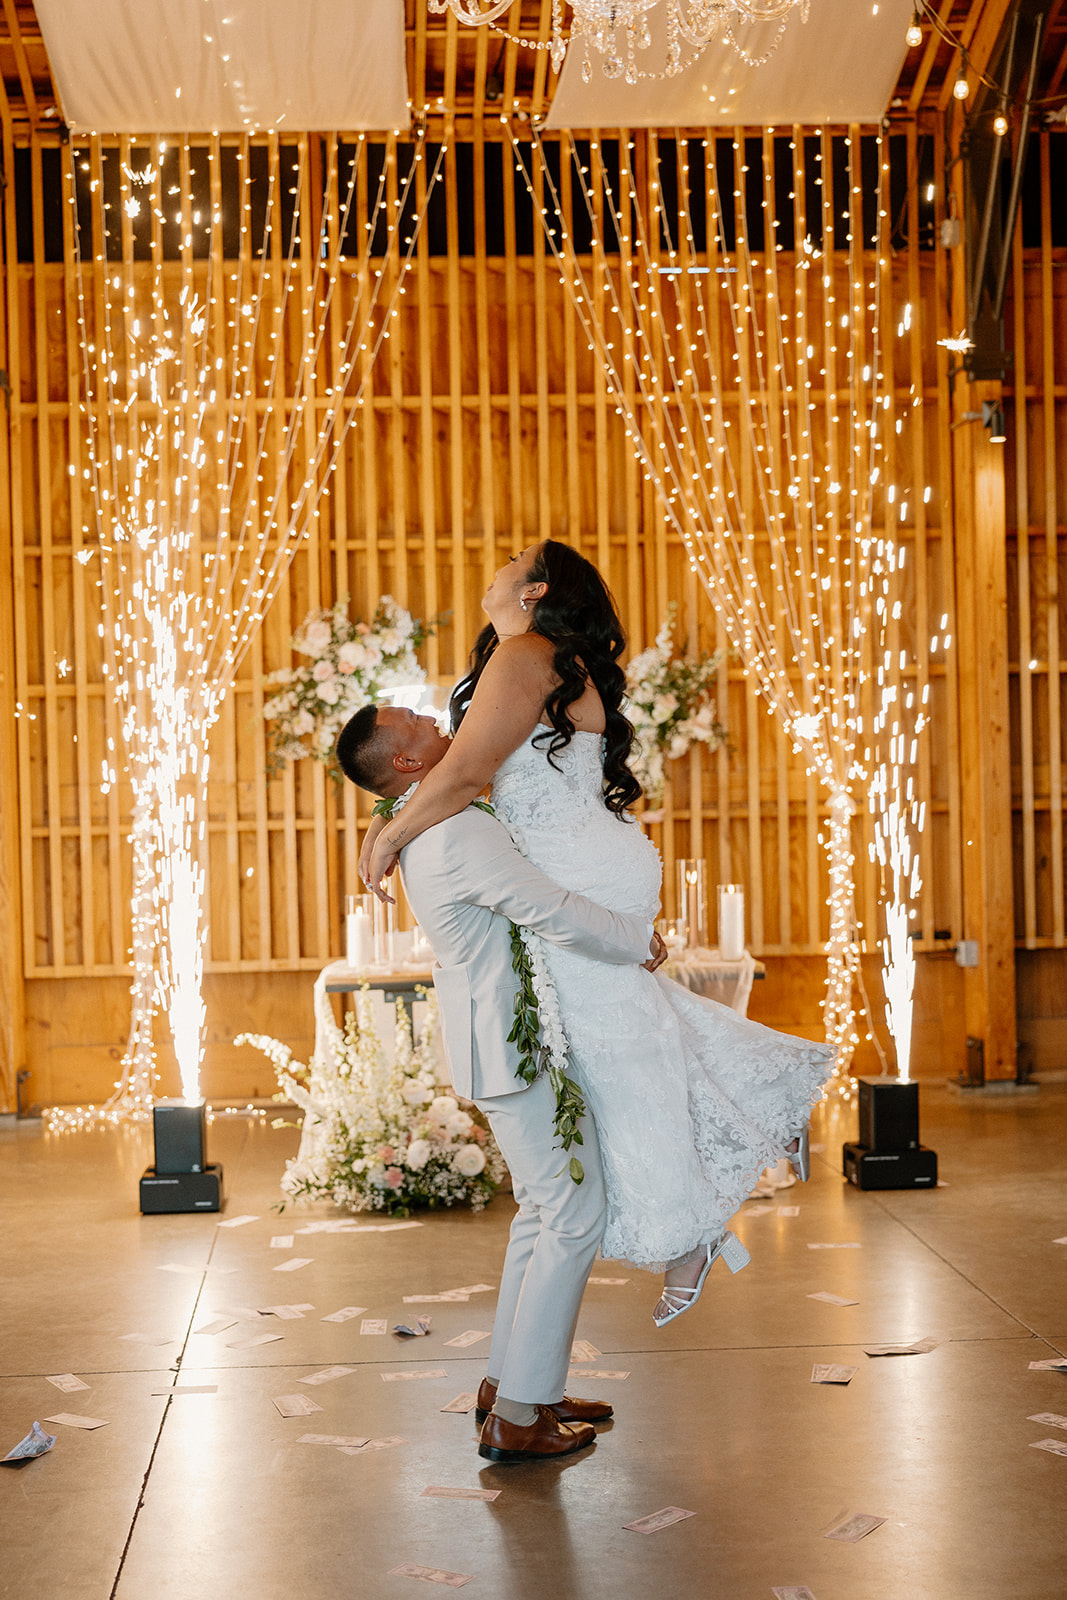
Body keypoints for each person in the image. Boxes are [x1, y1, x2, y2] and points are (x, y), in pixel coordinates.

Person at [362, 540, 832, 1326]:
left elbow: (467, 774)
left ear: (535, 589)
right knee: (626, 1049)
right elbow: (450, 776)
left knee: (616, 1063)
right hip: (581, 865)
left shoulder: (526, 651)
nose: (498, 559)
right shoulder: (536, 657)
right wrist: (390, 819)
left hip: (570, 871)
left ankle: (688, 1234)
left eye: (513, 557)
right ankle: (690, 1227)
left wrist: (387, 835)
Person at [337, 701, 666, 1463]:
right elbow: (543, 907)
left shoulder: (421, 813)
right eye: (413, 721)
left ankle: (513, 1385)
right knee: (575, 1213)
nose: (429, 713)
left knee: (543, 1212)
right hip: (511, 1049)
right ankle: (519, 1416)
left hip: (501, 1043)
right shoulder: (452, 830)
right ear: (410, 762)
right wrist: (631, 939)